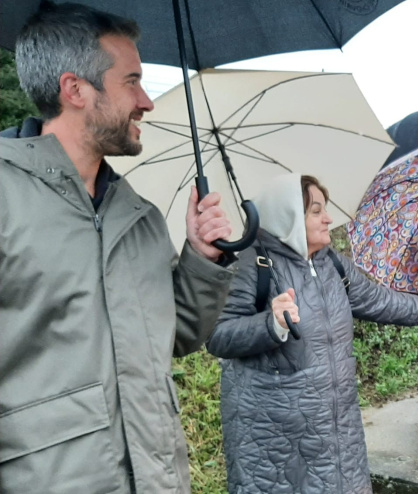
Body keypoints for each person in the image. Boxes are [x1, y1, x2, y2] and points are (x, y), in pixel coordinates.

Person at [0, 3, 236, 493]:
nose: (147, 101)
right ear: (76, 90)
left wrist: (201, 259)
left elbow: (179, 335)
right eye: (132, 81)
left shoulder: (139, 215)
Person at [206, 174, 418, 494]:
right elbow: (217, 336)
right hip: (275, 439)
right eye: (316, 211)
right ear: (289, 215)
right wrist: (270, 324)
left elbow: (377, 299)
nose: (328, 218)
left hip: (338, 430)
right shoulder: (249, 264)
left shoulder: (331, 264)